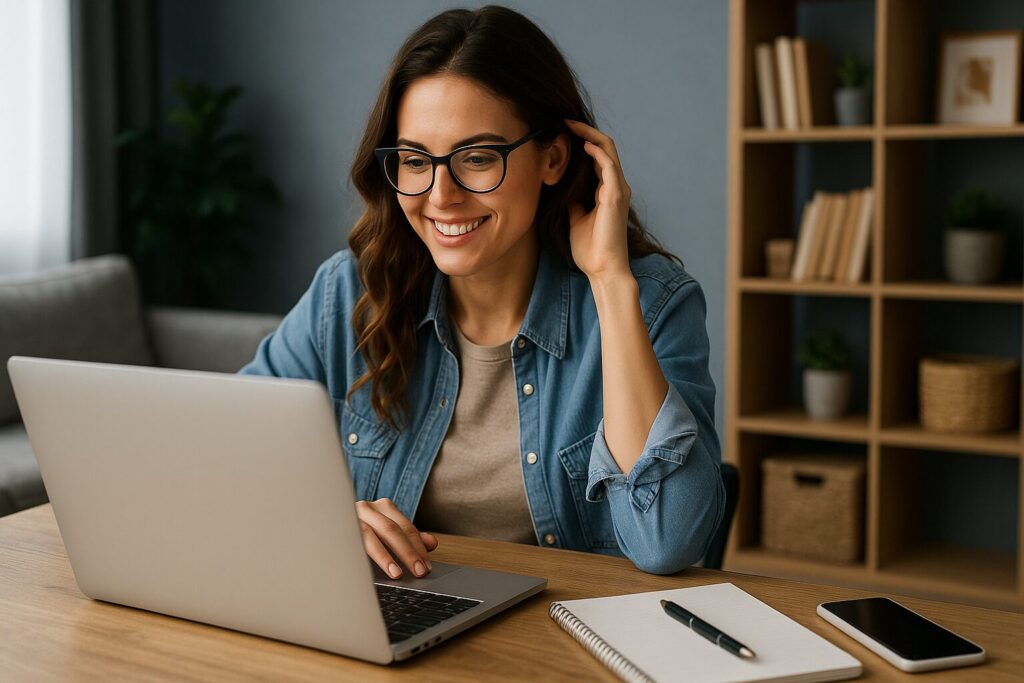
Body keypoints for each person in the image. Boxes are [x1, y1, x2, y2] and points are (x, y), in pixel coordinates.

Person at [239, 4, 724, 578]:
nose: (441, 195)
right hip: (397, 629)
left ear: (552, 158)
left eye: (476, 158)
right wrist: (322, 517)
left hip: (568, 644)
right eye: (416, 160)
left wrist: (611, 282)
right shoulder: (347, 294)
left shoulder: (653, 302)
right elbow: (226, 455)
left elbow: (667, 541)